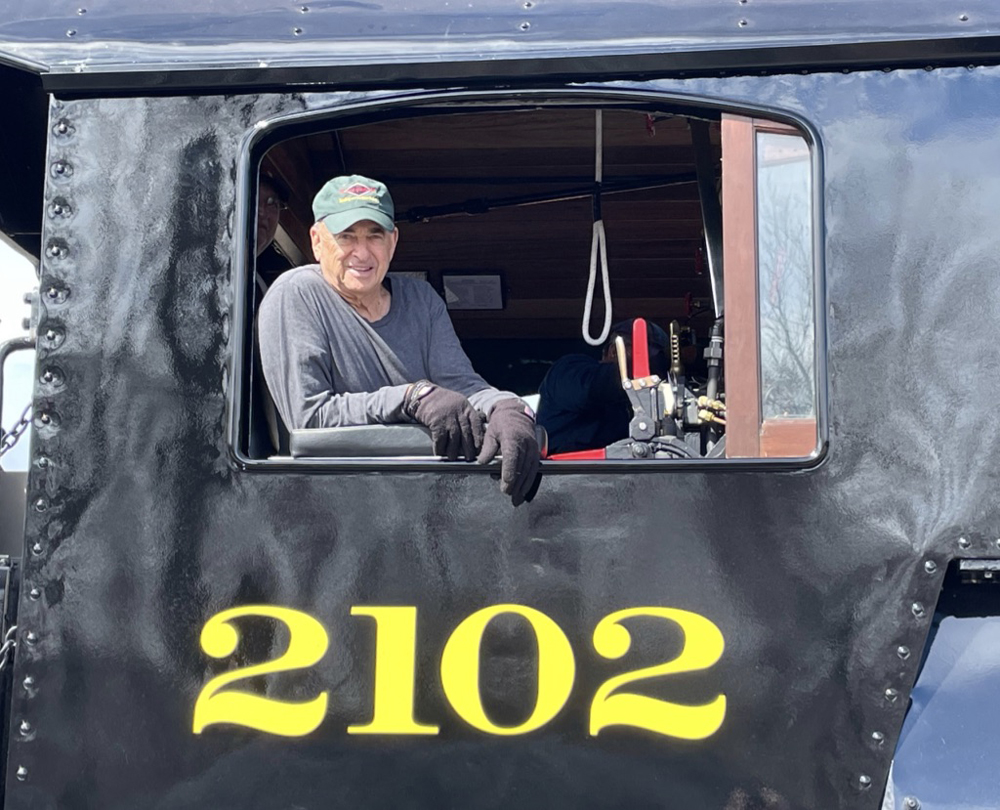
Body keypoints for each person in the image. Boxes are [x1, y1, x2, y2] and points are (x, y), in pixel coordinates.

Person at [258, 175, 540, 506]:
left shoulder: (422, 300)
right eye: (346, 236)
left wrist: (507, 407)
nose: (362, 252)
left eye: (374, 236)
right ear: (317, 242)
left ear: (392, 242)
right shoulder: (296, 294)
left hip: (427, 498)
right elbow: (310, 419)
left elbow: (462, 386)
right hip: (335, 503)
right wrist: (410, 398)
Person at [536, 319, 671, 454]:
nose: (655, 373)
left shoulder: (626, 406)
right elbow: (594, 386)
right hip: (564, 464)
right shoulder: (569, 369)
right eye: (649, 361)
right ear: (614, 351)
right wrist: (636, 378)